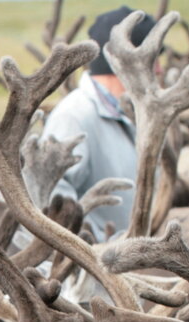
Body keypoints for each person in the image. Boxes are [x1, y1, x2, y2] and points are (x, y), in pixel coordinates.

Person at [42, 6, 157, 243]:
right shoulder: (74, 118)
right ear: (128, 62)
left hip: (126, 266)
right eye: (153, 59)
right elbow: (49, 203)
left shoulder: (131, 114)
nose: (160, 69)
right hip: (88, 271)